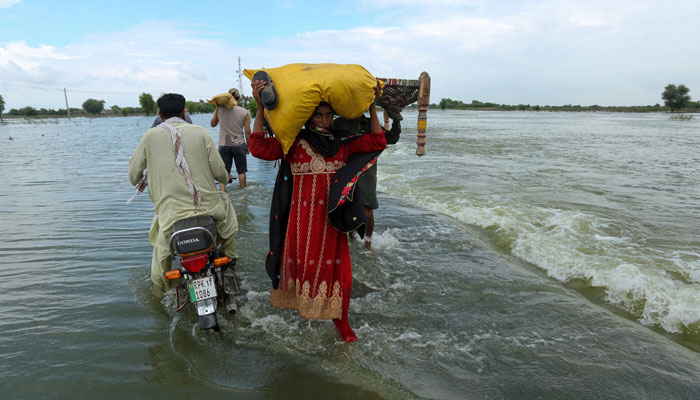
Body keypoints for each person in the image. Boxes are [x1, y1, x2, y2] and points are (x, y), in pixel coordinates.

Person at [248, 79, 386, 343]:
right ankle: (308, 310)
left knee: (342, 275)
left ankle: (342, 325)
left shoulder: (342, 143)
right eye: (318, 115)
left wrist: (372, 107)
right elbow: (258, 147)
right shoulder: (293, 142)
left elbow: (377, 142)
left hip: (332, 222)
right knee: (305, 271)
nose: (323, 120)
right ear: (308, 117)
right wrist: (259, 107)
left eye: (328, 115)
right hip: (301, 222)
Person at [129, 93, 239, 292]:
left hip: (171, 216)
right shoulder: (200, 132)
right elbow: (219, 172)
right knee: (227, 214)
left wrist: (144, 177)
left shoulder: (149, 136)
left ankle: (160, 292)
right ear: (183, 112)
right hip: (209, 209)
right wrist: (225, 178)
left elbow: (132, 175)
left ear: (160, 114)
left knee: (160, 255)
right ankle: (230, 258)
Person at [332, 115, 401, 248]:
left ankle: (368, 242)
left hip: (367, 172)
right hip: (344, 168)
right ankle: (351, 235)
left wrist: (396, 120)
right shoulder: (339, 123)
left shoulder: (371, 123)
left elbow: (391, 138)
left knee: (367, 211)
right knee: (346, 205)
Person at [211, 88, 251, 190]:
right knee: (241, 171)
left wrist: (217, 109)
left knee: (224, 172)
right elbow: (247, 131)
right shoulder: (244, 112)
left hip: (224, 145)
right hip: (239, 144)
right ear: (239, 98)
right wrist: (249, 146)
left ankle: (223, 192)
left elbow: (213, 124)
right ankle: (243, 190)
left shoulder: (219, 110)